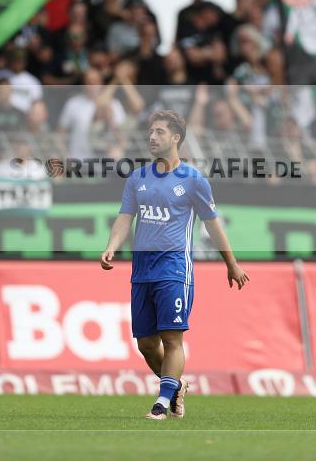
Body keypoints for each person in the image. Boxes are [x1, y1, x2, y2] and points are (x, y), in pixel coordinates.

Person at [99, 109, 248, 420]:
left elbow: (213, 224)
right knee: (146, 345)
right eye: (151, 132)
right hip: (142, 270)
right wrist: (112, 246)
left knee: (172, 337)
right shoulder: (137, 177)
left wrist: (231, 264)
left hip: (174, 268)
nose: (152, 137)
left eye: (160, 132)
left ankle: (161, 402)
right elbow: (125, 217)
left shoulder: (193, 181)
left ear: (176, 138)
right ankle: (176, 386)